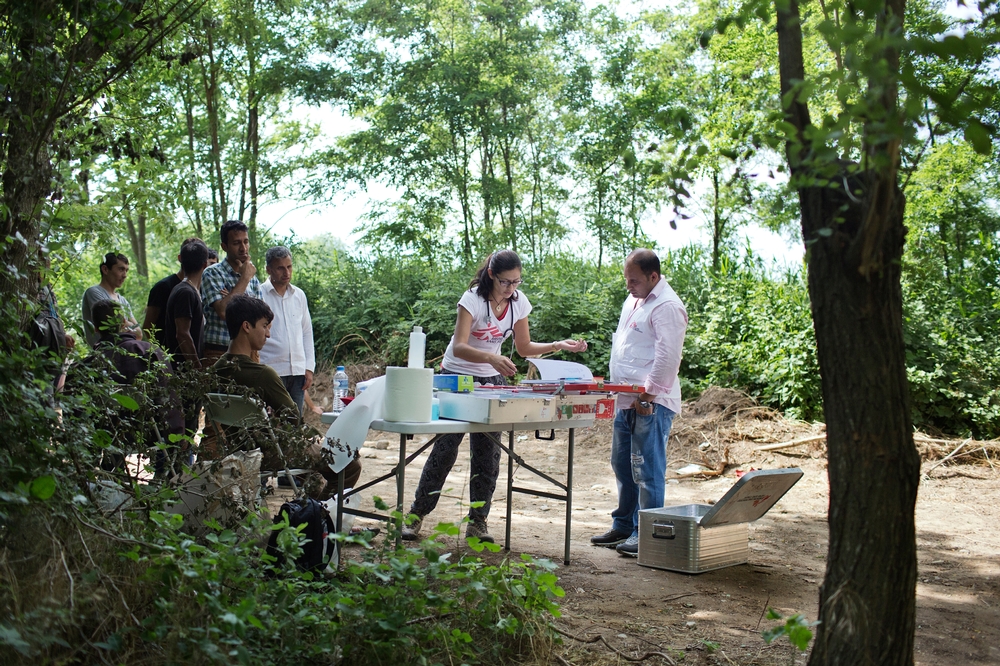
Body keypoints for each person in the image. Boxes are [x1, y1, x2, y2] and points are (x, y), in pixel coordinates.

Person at [401, 250, 588, 543]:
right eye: (505, 282)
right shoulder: (472, 299)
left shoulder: (518, 302)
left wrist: (557, 345)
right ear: (491, 274)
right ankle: (416, 514)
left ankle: (478, 521)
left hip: (491, 379)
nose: (511, 288)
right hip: (458, 376)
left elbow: (524, 347)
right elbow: (460, 346)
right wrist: (491, 358)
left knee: (488, 453)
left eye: (516, 282)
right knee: (445, 449)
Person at [213, 295, 361, 499]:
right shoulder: (261, 374)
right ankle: (323, 515)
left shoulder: (215, 369)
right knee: (350, 463)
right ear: (247, 326)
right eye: (265, 326)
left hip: (237, 450)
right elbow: (293, 417)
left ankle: (313, 509)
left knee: (313, 460)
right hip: (272, 453)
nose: (268, 334)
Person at [591, 249, 687, 557]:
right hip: (626, 398)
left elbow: (668, 357)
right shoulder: (634, 300)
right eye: (626, 279)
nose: (628, 285)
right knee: (622, 464)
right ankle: (623, 525)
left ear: (653, 277)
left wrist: (648, 396)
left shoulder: (668, 306)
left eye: (633, 280)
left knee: (646, 468)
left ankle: (646, 532)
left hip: (650, 402)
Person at [71, 299, 185, 474]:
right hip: (151, 436)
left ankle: (110, 474)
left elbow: (76, 413)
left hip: (109, 438)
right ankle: (163, 482)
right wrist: (178, 434)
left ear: (95, 328)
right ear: (124, 322)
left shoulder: (87, 366)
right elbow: (171, 401)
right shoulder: (150, 353)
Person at [259, 246, 316, 414]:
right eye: (280, 268)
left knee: (293, 424)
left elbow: (306, 332)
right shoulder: (259, 294)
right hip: (271, 370)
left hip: (298, 371)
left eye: (289, 267)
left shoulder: (299, 295)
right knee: (271, 424)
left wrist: (309, 367)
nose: (286, 272)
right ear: (269, 269)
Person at [200, 220, 262, 365]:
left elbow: (262, 319)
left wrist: (230, 297)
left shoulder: (254, 280)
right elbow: (223, 312)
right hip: (219, 351)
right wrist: (244, 279)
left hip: (249, 352)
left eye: (246, 242)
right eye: (236, 243)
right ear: (224, 246)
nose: (243, 248)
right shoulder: (212, 273)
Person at [143, 237, 200, 348]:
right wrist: (161, 355)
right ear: (180, 258)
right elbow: (148, 327)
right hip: (167, 357)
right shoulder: (162, 287)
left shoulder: (201, 288)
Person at [82, 252, 141, 347]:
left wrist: (124, 324)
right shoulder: (94, 292)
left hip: (126, 352)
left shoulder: (122, 300)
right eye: (121, 269)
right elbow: (110, 328)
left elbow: (139, 333)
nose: (125, 275)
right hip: (104, 353)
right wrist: (127, 325)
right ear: (105, 269)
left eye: (126, 270)